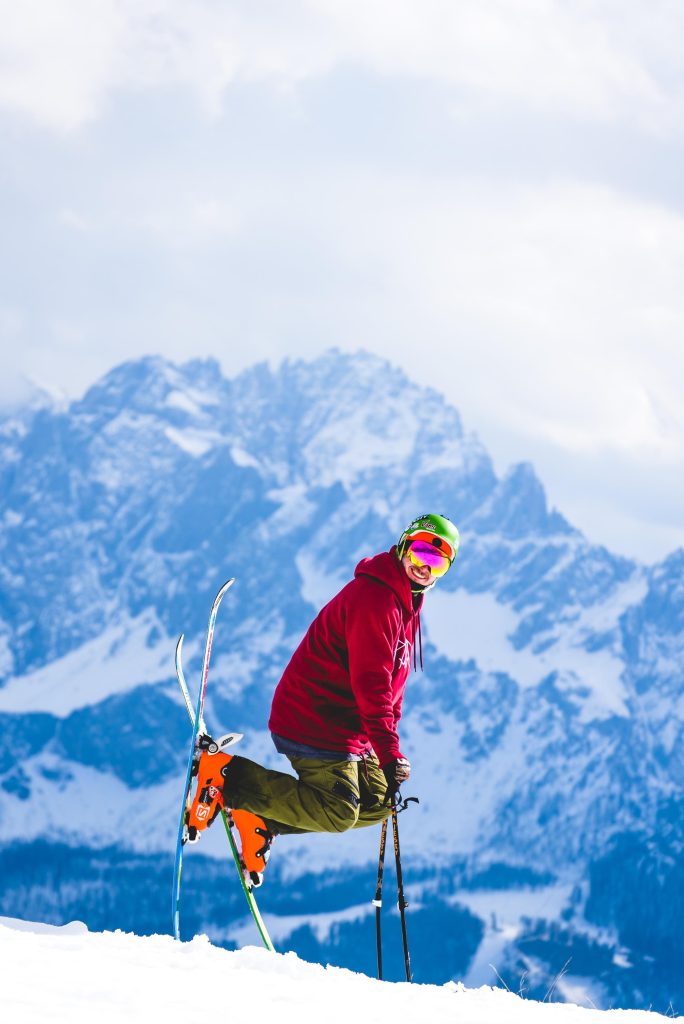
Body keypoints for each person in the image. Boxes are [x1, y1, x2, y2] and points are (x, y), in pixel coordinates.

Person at [187, 513, 460, 885]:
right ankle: (226, 777)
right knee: (339, 811)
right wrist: (388, 750)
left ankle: (261, 821)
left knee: (380, 803)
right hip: (313, 719)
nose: (424, 568)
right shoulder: (377, 599)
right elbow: (372, 684)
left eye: (437, 563)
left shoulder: (406, 601)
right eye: (419, 554)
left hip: (345, 725)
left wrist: (385, 751)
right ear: (402, 546)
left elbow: (392, 688)